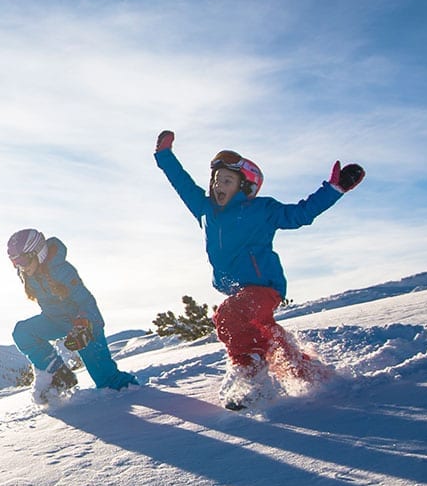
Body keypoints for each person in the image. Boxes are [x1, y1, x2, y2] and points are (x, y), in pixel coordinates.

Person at [152, 130, 364, 410]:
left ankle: (251, 377)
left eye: (227, 180)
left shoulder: (261, 209)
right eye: (216, 180)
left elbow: (300, 214)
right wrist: (165, 156)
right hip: (240, 292)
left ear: (245, 187)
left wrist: (334, 189)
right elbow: (182, 183)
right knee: (270, 339)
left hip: (264, 287)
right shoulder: (205, 210)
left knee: (227, 316)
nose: (218, 185)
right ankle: (314, 375)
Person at [7, 228, 138, 403]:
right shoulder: (28, 272)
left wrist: (84, 323)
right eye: (14, 262)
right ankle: (58, 374)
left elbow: (86, 301)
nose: (19, 266)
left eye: (22, 260)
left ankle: (138, 392)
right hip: (54, 321)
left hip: (85, 326)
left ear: (38, 252)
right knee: (23, 332)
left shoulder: (61, 271)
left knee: (107, 382)